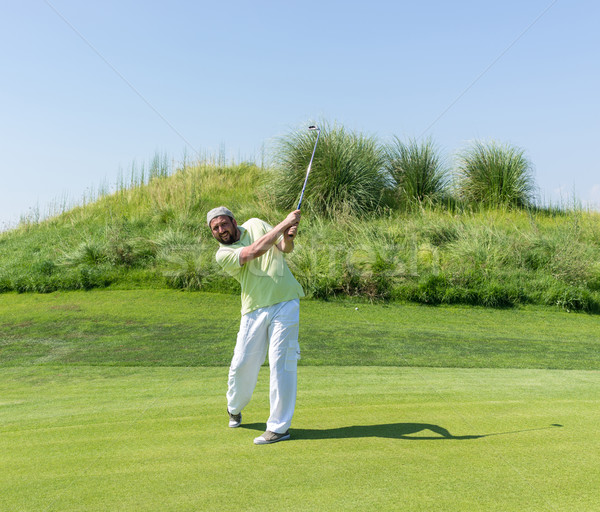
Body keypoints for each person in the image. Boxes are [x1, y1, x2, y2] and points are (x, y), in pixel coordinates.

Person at [207, 206, 304, 445]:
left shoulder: (255, 224)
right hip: (254, 309)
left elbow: (283, 249)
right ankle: (234, 406)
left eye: (223, 224)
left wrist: (288, 237)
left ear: (233, 221)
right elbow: (253, 251)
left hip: (286, 301)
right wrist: (284, 223)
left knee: (282, 362)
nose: (221, 230)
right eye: (215, 228)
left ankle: (278, 428)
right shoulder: (223, 254)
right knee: (242, 364)